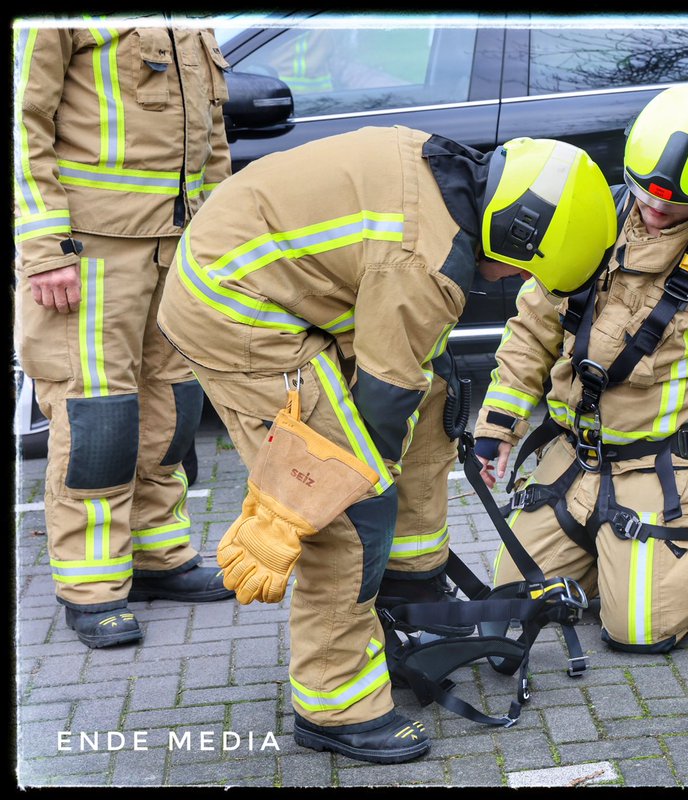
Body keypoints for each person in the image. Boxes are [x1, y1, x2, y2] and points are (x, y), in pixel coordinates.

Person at [155, 125, 616, 764]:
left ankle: (408, 594)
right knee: (348, 502)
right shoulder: (422, 262)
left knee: (431, 409)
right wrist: (337, 483)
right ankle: (335, 704)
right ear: (518, 236)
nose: (505, 281)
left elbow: (407, 367)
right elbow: (383, 399)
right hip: (238, 312)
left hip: (278, 284)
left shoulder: (450, 180)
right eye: (520, 270)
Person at [473, 84, 688, 655]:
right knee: (509, 596)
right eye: (644, 192)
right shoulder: (587, 221)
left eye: (674, 202)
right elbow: (531, 330)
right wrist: (495, 427)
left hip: (663, 472)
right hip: (571, 460)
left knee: (637, 631)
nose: (653, 209)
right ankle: (608, 551)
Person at [13, 19, 236, 651]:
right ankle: (92, 585)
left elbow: (212, 138)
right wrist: (45, 248)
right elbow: (20, 124)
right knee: (98, 417)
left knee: (174, 403)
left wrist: (216, 233)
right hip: (89, 250)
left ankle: (159, 556)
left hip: (180, 245)